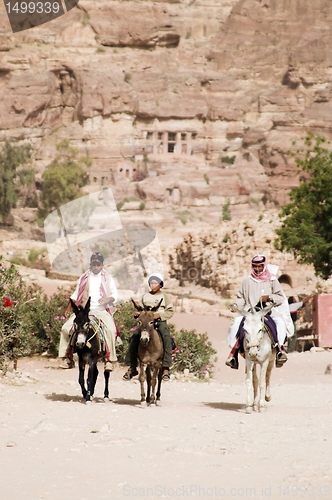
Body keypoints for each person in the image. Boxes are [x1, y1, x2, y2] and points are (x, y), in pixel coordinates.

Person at [226, 254, 293, 369]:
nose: (257, 269)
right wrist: (236, 306)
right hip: (250, 313)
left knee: (280, 323)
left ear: (264, 266)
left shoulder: (272, 280)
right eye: (255, 266)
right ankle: (234, 354)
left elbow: (280, 297)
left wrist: (269, 297)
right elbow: (241, 298)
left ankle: (279, 350)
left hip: (268, 312)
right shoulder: (247, 281)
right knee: (235, 325)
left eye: (260, 266)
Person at [59, 252, 119, 371]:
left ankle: (109, 360)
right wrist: (68, 308)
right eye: (94, 264)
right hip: (84, 311)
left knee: (110, 330)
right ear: (90, 264)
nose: (96, 267)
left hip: (101, 310)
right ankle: (68, 358)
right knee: (66, 328)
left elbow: (115, 295)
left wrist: (107, 299)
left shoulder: (108, 278)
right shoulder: (84, 277)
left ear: (102, 265)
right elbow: (76, 294)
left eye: (98, 264)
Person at [123, 273, 174, 381]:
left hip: (159, 322)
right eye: (151, 283)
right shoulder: (145, 296)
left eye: (155, 283)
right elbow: (141, 309)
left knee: (166, 337)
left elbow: (170, 311)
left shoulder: (164, 296)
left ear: (160, 284)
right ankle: (132, 367)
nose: (153, 285)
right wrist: (137, 314)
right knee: (135, 337)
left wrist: (159, 315)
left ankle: (165, 368)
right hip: (146, 322)